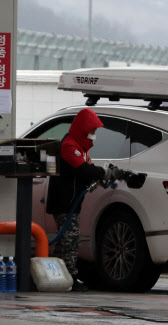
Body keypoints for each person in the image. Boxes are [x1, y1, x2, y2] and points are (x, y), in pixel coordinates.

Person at [46, 108, 117, 292]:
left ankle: (59, 278)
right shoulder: (69, 146)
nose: (94, 135)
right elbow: (84, 170)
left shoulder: (82, 149)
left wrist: (102, 175)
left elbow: (88, 170)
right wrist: (102, 172)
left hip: (71, 203)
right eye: (92, 131)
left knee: (66, 242)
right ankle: (70, 278)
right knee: (70, 241)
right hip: (64, 203)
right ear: (83, 129)